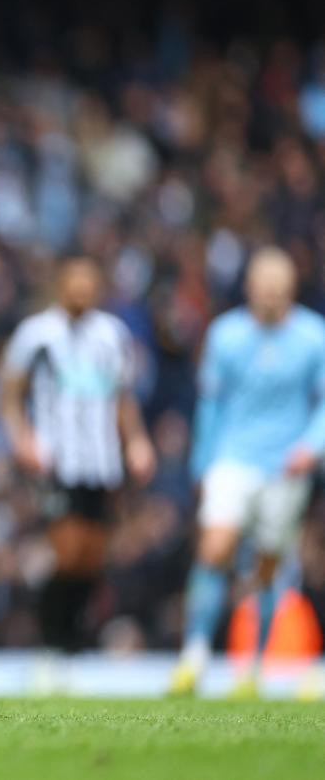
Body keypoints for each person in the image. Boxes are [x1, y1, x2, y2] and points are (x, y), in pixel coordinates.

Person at [170, 247, 325, 697]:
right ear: (250, 288)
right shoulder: (226, 335)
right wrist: (203, 461)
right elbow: (211, 404)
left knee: (267, 566)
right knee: (215, 547)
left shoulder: (314, 337)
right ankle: (193, 656)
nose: (272, 296)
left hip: (286, 465)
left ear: (291, 290)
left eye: (280, 288)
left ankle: (252, 668)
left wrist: (311, 447)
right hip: (234, 458)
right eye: (265, 287)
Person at [0, 254, 156, 656]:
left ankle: (71, 638)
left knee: (92, 555)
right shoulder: (36, 334)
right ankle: (52, 635)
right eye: (75, 282)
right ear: (62, 284)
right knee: (67, 550)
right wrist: (23, 438)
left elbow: (122, 397)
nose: (82, 291)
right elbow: (9, 394)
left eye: (89, 283)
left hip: (100, 460)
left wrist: (135, 442)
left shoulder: (112, 334)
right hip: (56, 457)